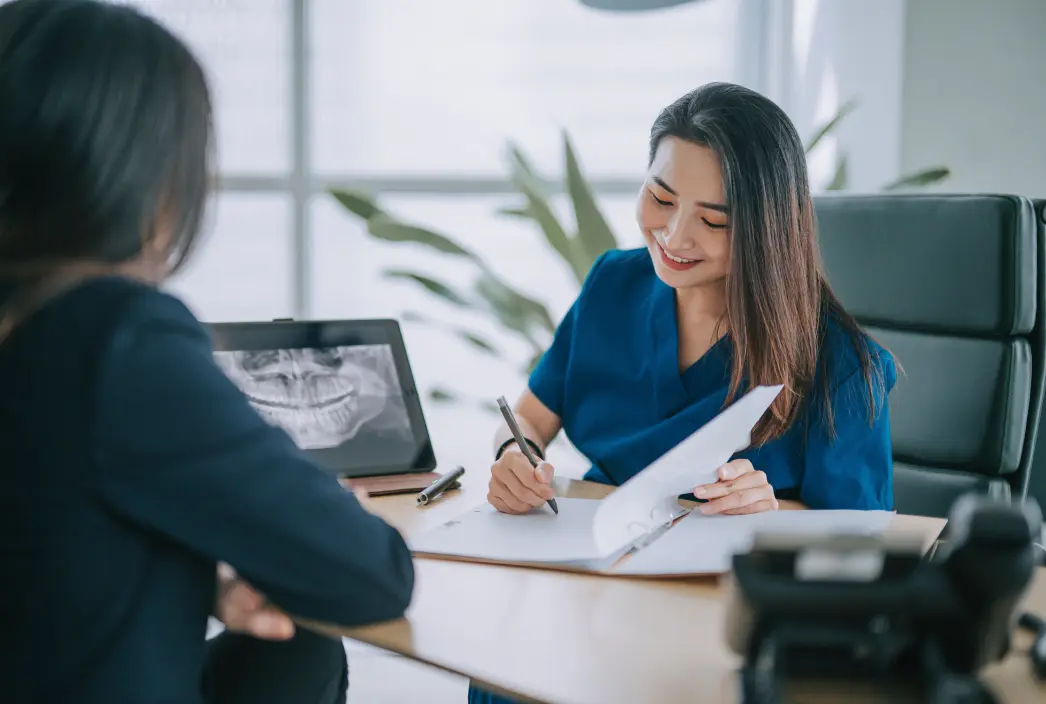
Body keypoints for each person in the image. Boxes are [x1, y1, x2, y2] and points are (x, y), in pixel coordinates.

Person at [0, 2, 413, 703]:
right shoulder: (115, 335)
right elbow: (371, 572)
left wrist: (207, 583)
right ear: (141, 171)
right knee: (305, 633)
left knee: (290, 640)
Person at [469, 82, 896, 703]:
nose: (673, 235)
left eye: (713, 221)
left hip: (717, 617)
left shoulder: (840, 365)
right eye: (660, 197)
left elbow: (856, 538)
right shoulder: (613, 283)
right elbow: (528, 417)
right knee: (501, 670)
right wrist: (517, 457)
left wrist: (770, 509)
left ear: (766, 228)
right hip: (590, 580)